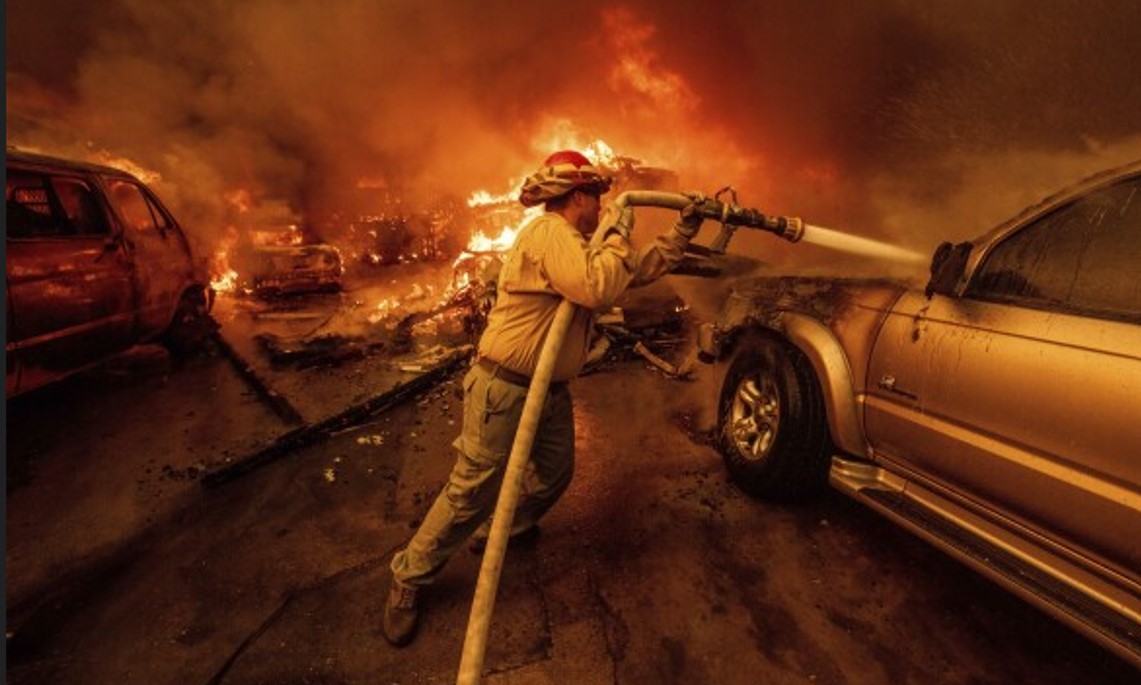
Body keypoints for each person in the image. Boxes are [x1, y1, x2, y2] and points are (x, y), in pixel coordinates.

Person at [383, 149, 705, 646]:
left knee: (556, 472)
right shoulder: (548, 232)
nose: (602, 207)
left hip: (545, 390)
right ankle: (408, 577)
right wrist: (619, 228)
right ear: (577, 196)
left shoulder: (575, 242)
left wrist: (681, 233)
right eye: (598, 199)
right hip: (505, 389)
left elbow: (630, 271)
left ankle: (506, 528)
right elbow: (597, 287)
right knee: (472, 491)